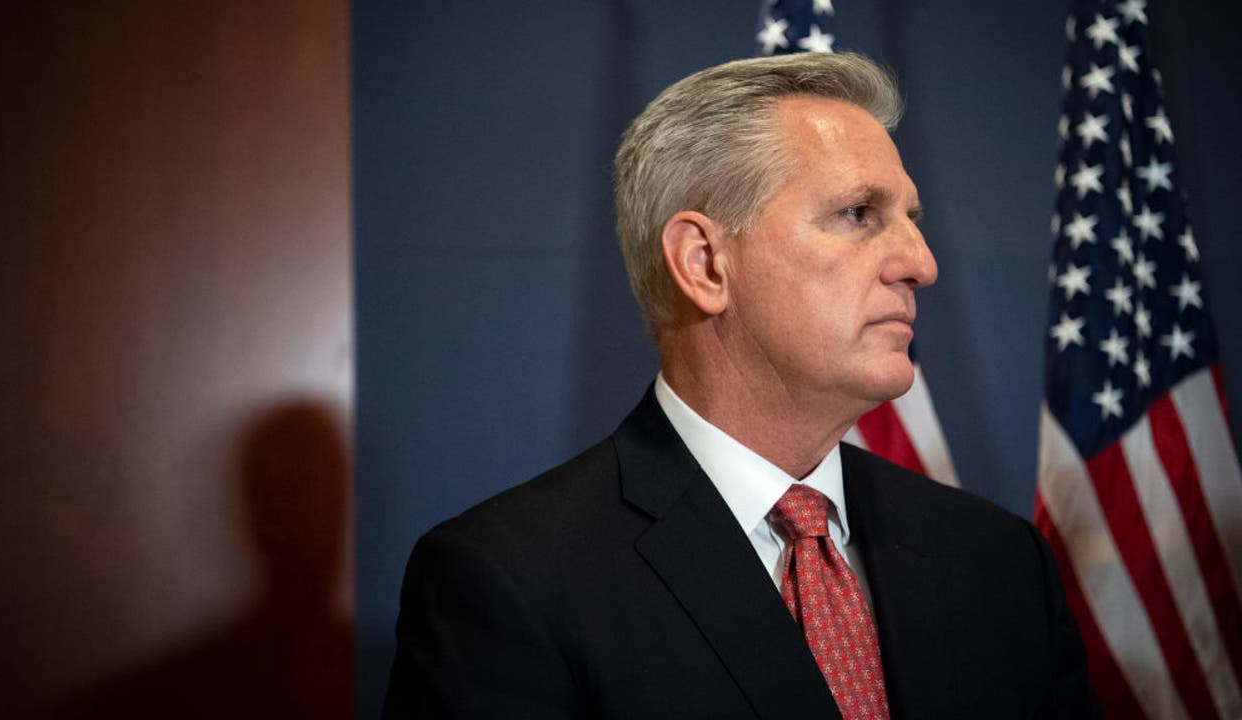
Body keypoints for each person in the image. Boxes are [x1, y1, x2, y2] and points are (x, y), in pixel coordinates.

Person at [384, 52, 1100, 719]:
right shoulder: (511, 581)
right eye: (859, 214)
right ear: (704, 264)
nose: (921, 263)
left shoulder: (1001, 563)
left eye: (911, 220)